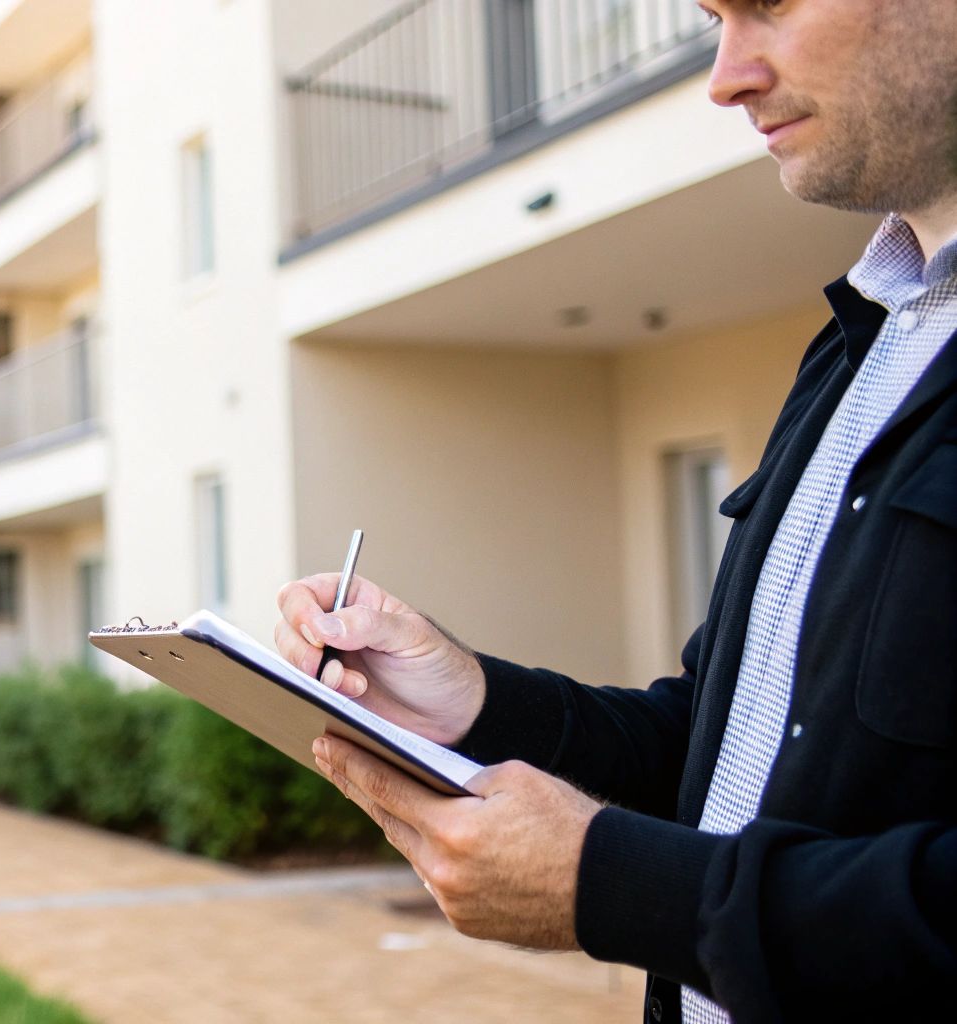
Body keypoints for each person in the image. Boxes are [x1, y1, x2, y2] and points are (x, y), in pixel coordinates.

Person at [273, 2, 957, 1022]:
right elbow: (726, 742)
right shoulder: (860, 343)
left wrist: (614, 888)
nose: (722, 77)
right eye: (710, 18)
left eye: (765, 5)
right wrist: (469, 703)